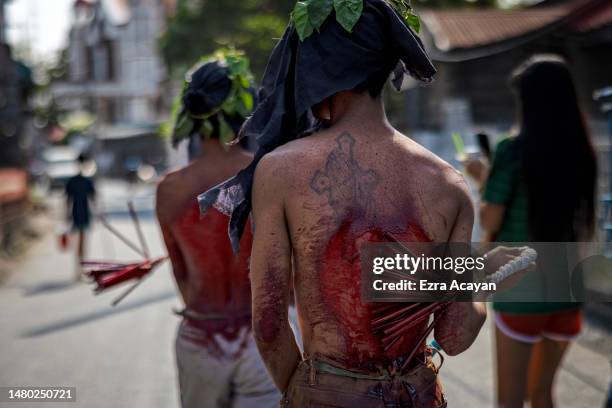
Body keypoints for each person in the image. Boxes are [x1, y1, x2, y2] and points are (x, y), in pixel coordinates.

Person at [198, 2, 534, 406]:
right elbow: (454, 337)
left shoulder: (280, 171)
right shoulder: (448, 184)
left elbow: (269, 323)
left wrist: (305, 393)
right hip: (416, 395)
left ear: (316, 70)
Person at [464, 55, 597, 408]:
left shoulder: (512, 151)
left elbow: (491, 221)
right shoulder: (583, 152)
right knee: (542, 396)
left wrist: (483, 179)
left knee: (509, 400)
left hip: (521, 289)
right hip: (568, 287)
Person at [156, 50, 278, 408]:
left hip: (200, 338)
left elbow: (180, 272)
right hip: (263, 338)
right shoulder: (269, 174)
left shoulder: (171, 188)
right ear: (246, 108)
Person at [65, 154, 96, 281]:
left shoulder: (74, 181)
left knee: (79, 242)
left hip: (78, 213)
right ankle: (80, 269)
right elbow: (94, 198)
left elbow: (67, 200)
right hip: (81, 213)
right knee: (81, 242)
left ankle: (79, 269)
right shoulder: (86, 181)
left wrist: (66, 214)